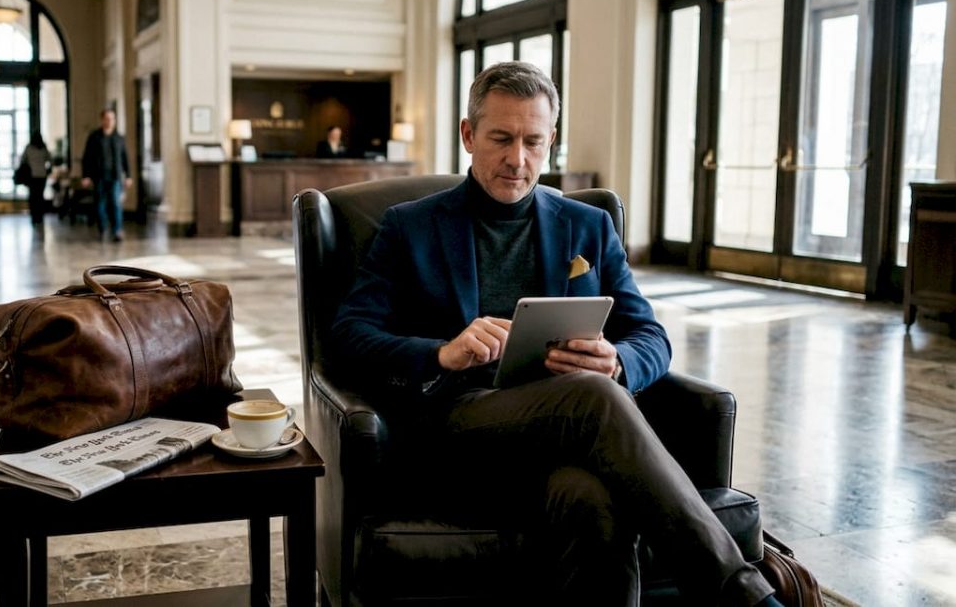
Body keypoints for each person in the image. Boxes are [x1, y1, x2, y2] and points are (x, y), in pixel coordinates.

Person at [329, 62, 780, 606]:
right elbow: (348, 336)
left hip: (565, 439)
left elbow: (650, 337)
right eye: (500, 138)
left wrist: (617, 361)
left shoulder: (588, 226)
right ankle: (746, 595)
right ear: (469, 135)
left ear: (551, 142)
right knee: (593, 398)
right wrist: (441, 353)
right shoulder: (408, 226)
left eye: (532, 142)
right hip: (455, 429)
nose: (517, 159)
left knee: (592, 498)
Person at [80, 108, 131, 241]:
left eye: (112, 119)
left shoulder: (119, 138)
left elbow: (125, 158)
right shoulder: (94, 137)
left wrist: (128, 176)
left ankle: (117, 230)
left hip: (115, 177)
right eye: (107, 118)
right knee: (100, 204)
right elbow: (87, 158)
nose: (109, 121)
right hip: (99, 176)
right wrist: (85, 176)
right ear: (102, 120)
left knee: (115, 203)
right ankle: (102, 229)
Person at [20, 131, 53, 225]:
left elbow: (23, 160)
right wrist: (47, 169)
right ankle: (40, 217)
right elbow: (50, 160)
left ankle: (34, 217)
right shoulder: (43, 148)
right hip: (42, 175)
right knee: (40, 197)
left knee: (33, 197)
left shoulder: (29, 148)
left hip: (32, 176)